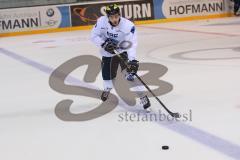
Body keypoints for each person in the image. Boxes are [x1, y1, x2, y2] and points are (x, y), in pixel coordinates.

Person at [90, 4, 151, 110]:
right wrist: (103, 43)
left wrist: (132, 60)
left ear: (119, 15)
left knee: (130, 75)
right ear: (107, 17)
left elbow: (131, 44)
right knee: (107, 76)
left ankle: (142, 96)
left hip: (123, 51)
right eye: (112, 17)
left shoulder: (128, 26)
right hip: (107, 52)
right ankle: (107, 89)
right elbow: (93, 36)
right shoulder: (101, 22)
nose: (114, 19)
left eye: (116, 16)